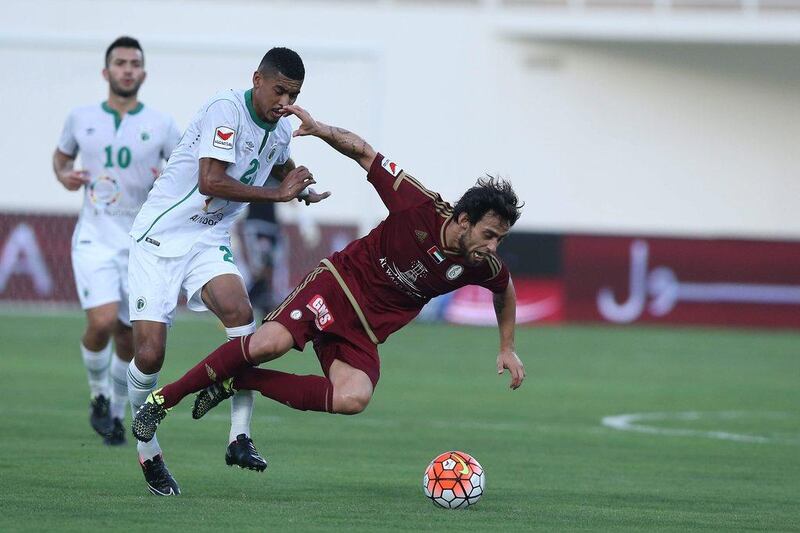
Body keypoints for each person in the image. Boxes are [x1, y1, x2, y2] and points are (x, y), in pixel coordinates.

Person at [132, 105, 526, 482]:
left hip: (363, 331)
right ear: (463, 220)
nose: (493, 247)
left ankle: (239, 381)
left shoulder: (480, 263)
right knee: (269, 343)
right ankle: (162, 400)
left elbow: (504, 289)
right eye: (489, 235)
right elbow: (363, 152)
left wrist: (506, 346)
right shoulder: (418, 206)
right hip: (337, 285)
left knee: (354, 397)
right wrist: (320, 130)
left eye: (501, 239)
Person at [126, 48, 329, 496]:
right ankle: (148, 449)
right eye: (279, 91)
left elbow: (281, 166)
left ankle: (239, 437)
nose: (285, 103)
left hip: (206, 240)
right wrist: (278, 198)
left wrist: (303, 190)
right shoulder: (227, 108)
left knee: (242, 316)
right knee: (150, 355)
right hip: (160, 238)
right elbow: (210, 181)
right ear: (257, 79)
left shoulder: (278, 130)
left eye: (293, 95)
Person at [53, 36, 181, 446]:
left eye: (134, 63)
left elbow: (185, 171)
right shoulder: (80, 117)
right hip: (94, 236)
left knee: (127, 336)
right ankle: (98, 395)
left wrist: (170, 182)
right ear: (106, 72)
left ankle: (112, 410)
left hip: (139, 242)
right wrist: (63, 176)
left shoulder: (161, 124)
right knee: (102, 321)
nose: (127, 69)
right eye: (120, 63)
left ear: (143, 73)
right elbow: (61, 159)